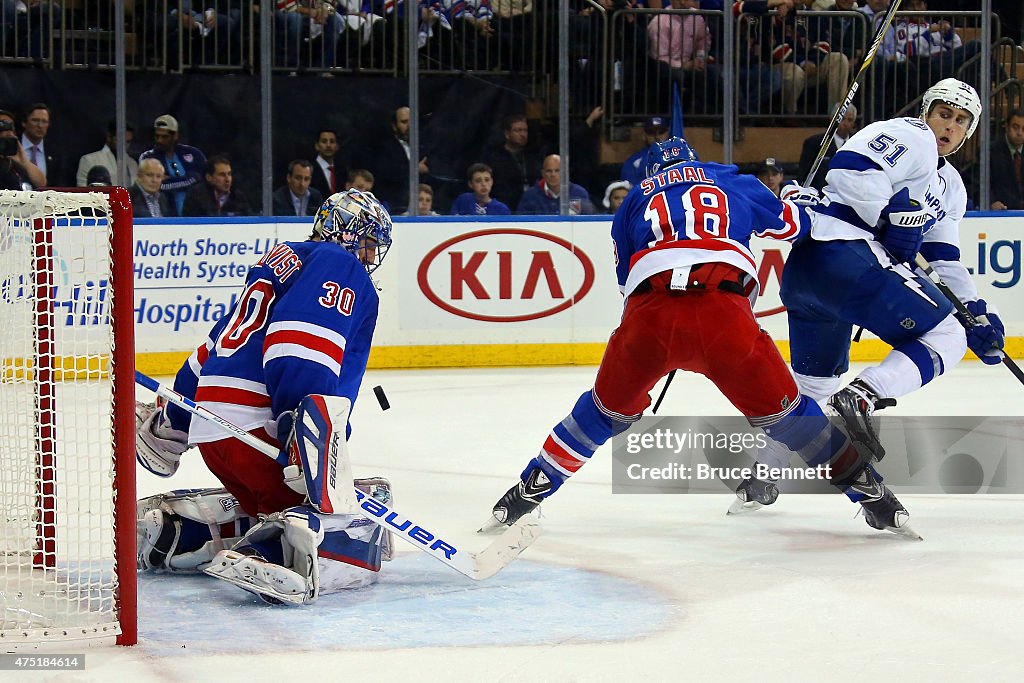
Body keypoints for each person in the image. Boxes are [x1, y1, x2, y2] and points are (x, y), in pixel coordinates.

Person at [483, 125, 919, 539]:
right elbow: (796, 226)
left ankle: (522, 496)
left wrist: (665, 338)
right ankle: (875, 496)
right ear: (698, 163)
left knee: (601, 414)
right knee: (793, 420)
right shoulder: (731, 180)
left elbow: (626, 286)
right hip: (723, 314)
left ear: (655, 174)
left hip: (650, 317)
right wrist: (801, 200)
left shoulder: (634, 200)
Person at [747, 79, 1003, 511]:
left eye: (961, 121)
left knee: (812, 384)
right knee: (946, 336)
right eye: (943, 114)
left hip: (812, 277)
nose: (949, 127)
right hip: (846, 259)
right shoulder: (912, 135)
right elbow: (849, 169)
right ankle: (862, 396)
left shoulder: (951, 187)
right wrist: (889, 217)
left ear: (970, 131)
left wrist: (974, 310)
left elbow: (942, 257)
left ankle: (759, 475)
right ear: (927, 112)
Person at [135, 189, 395, 605]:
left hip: (215, 437)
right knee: (359, 521)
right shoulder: (339, 264)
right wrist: (300, 430)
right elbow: (299, 344)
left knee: (268, 502)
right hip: (261, 432)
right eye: (367, 242)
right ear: (349, 236)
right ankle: (271, 551)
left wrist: (173, 420)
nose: (369, 255)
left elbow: (214, 347)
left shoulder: (278, 264)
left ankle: (183, 532)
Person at [140, 114, 208, 216]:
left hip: (197, 214)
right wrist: (190, 179)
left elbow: (204, 179)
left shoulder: (194, 154)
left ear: (175, 136)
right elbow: (157, 186)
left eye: (164, 137)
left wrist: (170, 180)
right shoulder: (148, 157)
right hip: (166, 214)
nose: (159, 140)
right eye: (157, 136)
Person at [482, 113, 542, 211]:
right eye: (518, 130)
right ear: (507, 134)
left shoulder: (532, 155)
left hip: (531, 209)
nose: (523, 134)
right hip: (503, 209)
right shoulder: (494, 157)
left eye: (525, 130)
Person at [798, 103, 858, 191]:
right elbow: (803, 175)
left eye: (850, 120)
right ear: (832, 119)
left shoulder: (857, 144)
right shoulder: (814, 143)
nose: (845, 124)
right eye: (842, 119)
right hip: (819, 196)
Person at [517, 154, 596, 215]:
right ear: (543, 173)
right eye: (549, 171)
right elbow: (522, 224)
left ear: (565, 172)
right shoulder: (530, 196)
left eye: (557, 170)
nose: (553, 174)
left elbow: (588, 222)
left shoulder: (579, 193)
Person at [182, 155, 253, 217]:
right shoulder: (196, 195)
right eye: (222, 175)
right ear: (209, 177)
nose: (227, 179)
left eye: (229, 174)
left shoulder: (238, 197)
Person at [77, 120, 139, 187]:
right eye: (120, 140)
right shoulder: (90, 160)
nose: (124, 145)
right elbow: (83, 190)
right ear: (109, 137)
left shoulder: (133, 164)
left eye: (128, 142)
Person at [20, 103, 65, 186]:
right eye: (35, 120)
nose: (40, 125)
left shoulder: (55, 152)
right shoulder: (13, 146)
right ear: (24, 123)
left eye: (44, 122)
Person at [989, 108, 1024, 211]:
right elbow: (980, 184)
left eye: (1023, 129)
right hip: (1002, 213)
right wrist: (991, 202)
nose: (1019, 133)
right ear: (1007, 127)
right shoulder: (991, 151)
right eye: (1015, 127)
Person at [621, 116, 670, 188]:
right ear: (644, 135)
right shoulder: (634, 162)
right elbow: (628, 189)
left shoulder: (679, 157)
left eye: (661, 132)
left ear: (668, 133)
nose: (657, 137)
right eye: (651, 133)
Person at [0, 112, 44, 190]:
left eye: (11, 127)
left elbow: (42, 184)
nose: (9, 133)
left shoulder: (15, 161)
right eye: (3, 126)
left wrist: (24, 162)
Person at [310, 129, 345, 198]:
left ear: (337, 146)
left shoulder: (342, 171)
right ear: (317, 145)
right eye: (324, 141)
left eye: (332, 141)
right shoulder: (309, 169)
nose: (328, 145)